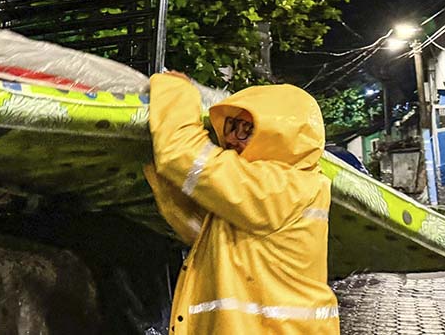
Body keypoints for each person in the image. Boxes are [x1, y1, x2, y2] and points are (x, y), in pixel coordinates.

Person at [145, 71, 339, 334]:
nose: (233, 138)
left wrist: (176, 89)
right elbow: (201, 232)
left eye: (248, 131)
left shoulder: (280, 187)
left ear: (280, 138)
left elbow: (181, 155)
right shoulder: (278, 189)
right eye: (231, 126)